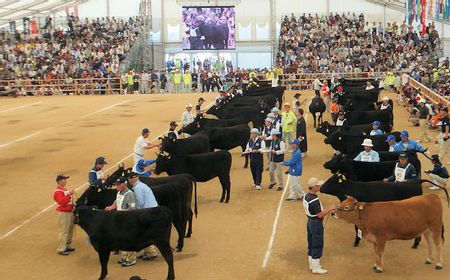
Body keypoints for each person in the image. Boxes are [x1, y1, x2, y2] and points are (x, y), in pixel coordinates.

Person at [303, 177, 335, 274]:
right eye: (318, 185)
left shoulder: (306, 196)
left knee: (311, 243)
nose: (319, 186)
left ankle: (312, 265)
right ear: (314, 187)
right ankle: (316, 268)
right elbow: (320, 214)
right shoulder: (314, 200)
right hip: (316, 223)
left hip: (310, 222)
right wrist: (329, 208)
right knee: (317, 243)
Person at [105, 177, 138, 266]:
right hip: (120, 220)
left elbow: (133, 208)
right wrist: (110, 207)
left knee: (129, 239)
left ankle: (131, 259)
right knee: (122, 239)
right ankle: (125, 256)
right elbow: (116, 203)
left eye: (118, 185)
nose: (117, 186)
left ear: (124, 184)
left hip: (128, 220)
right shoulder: (119, 193)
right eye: (116, 185)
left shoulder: (130, 194)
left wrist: (121, 212)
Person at [127, 172, 159, 260]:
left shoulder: (138, 188)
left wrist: (132, 211)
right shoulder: (141, 185)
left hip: (148, 213)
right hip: (152, 211)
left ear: (131, 179)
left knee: (145, 232)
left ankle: (151, 252)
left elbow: (140, 203)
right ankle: (146, 251)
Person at [53, 174, 75, 256]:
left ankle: (68, 245)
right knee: (64, 231)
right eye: (64, 179)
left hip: (69, 212)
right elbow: (62, 202)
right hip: (64, 213)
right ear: (59, 181)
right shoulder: (58, 192)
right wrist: (69, 195)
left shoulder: (64, 190)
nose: (66, 181)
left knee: (70, 229)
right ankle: (61, 248)